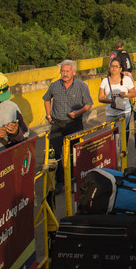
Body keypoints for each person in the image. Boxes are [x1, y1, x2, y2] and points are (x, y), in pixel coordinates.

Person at [44, 60, 94, 193]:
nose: (64, 74)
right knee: (55, 153)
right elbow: (46, 98)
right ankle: (60, 180)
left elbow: (88, 104)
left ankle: (73, 179)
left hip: (74, 123)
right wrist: (48, 115)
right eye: (62, 71)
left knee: (74, 153)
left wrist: (78, 112)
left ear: (73, 72)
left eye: (67, 71)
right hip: (57, 123)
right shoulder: (54, 86)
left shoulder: (81, 86)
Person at [98, 58, 136, 135]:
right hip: (110, 113)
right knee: (110, 135)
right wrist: (113, 101)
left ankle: (122, 147)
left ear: (120, 69)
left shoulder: (127, 79)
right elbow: (100, 98)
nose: (114, 68)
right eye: (112, 66)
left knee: (119, 135)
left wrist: (125, 95)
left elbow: (134, 93)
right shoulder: (105, 81)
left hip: (124, 111)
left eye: (116, 66)